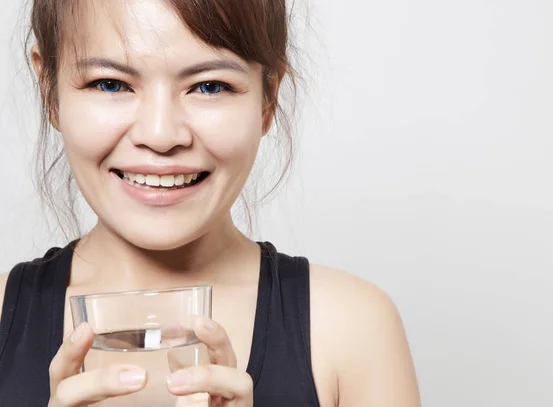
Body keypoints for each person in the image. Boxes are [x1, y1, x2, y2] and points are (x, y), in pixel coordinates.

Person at [0, 0, 421, 405]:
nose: (162, 135)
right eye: (110, 84)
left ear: (268, 98)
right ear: (49, 89)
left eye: (209, 86)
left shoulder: (352, 328)